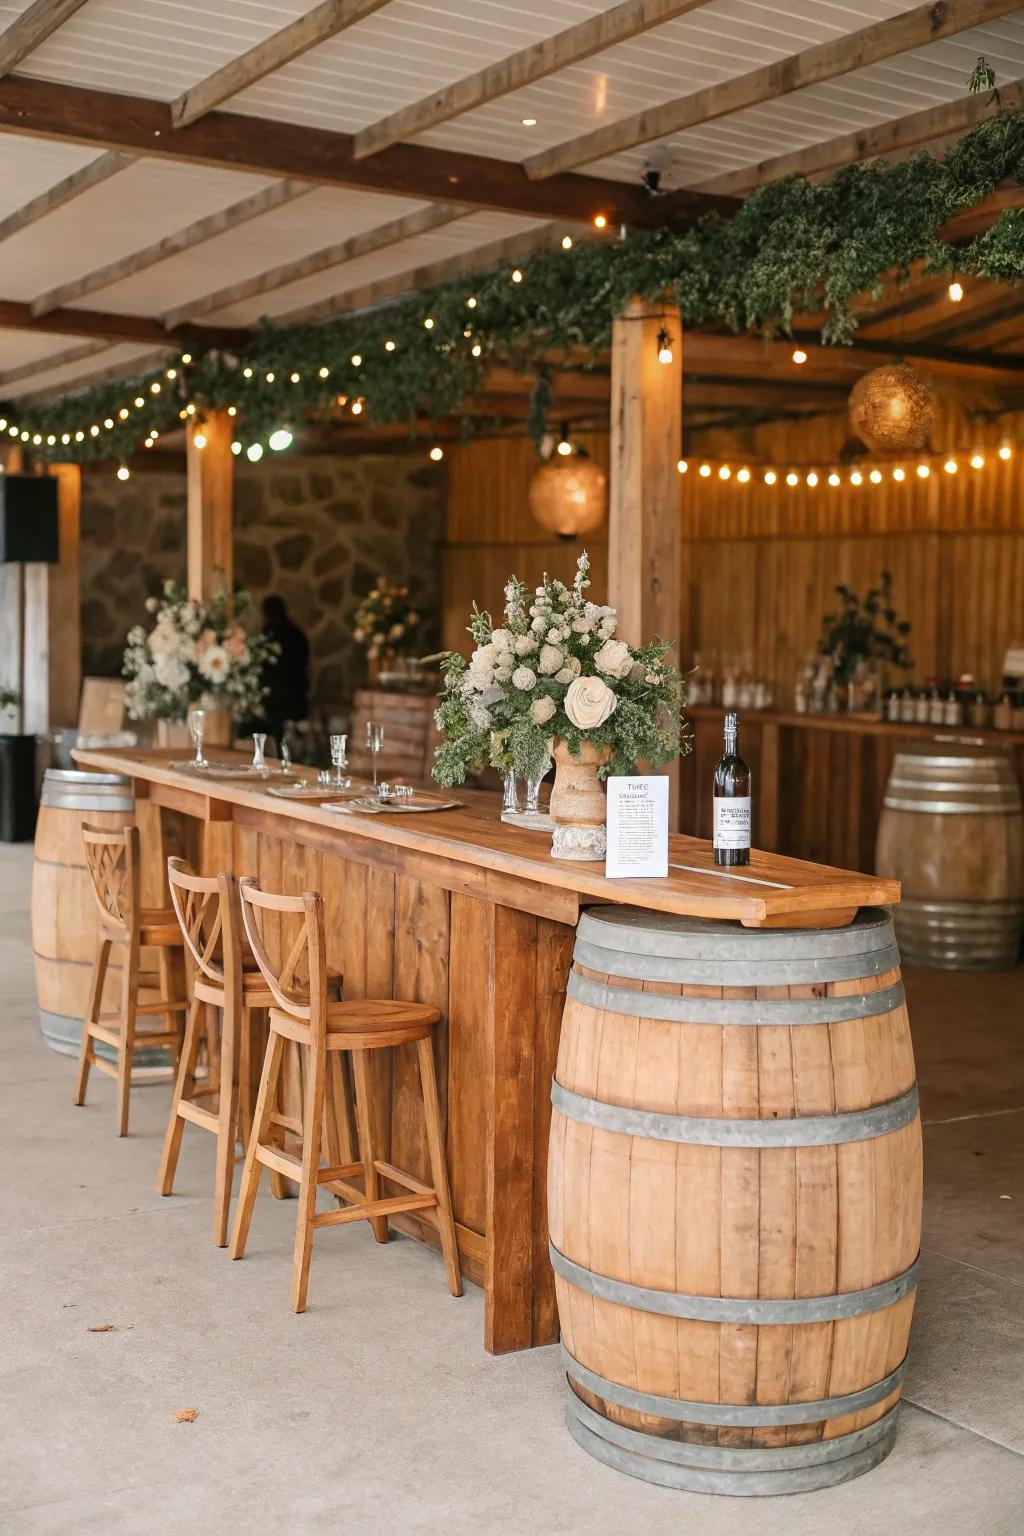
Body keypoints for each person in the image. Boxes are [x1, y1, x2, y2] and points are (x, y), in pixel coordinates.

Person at [260, 594, 310, 750]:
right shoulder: (297, 633)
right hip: (296, 693)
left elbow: (265, 664)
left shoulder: (270, 633)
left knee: (277, 736)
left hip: (278, 695)